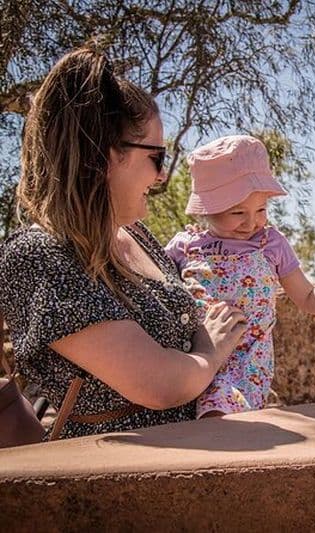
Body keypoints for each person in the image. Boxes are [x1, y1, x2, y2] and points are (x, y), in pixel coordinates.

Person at [0, 47, 249, 440]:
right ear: (103, 156)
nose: (162, 175)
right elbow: (160, 384)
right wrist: (211, 353)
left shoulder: (135, 236)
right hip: (111, 485)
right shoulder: (40, 256)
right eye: (156, 156)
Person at [165, 135, 315, 418]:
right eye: (237, 212)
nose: (252, 222)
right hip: (194, 357)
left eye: (261, 210)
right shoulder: (186, 245)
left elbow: (307, 295)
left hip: (246, 366)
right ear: (207, 209)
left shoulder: (270, 244)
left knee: (222, 414)